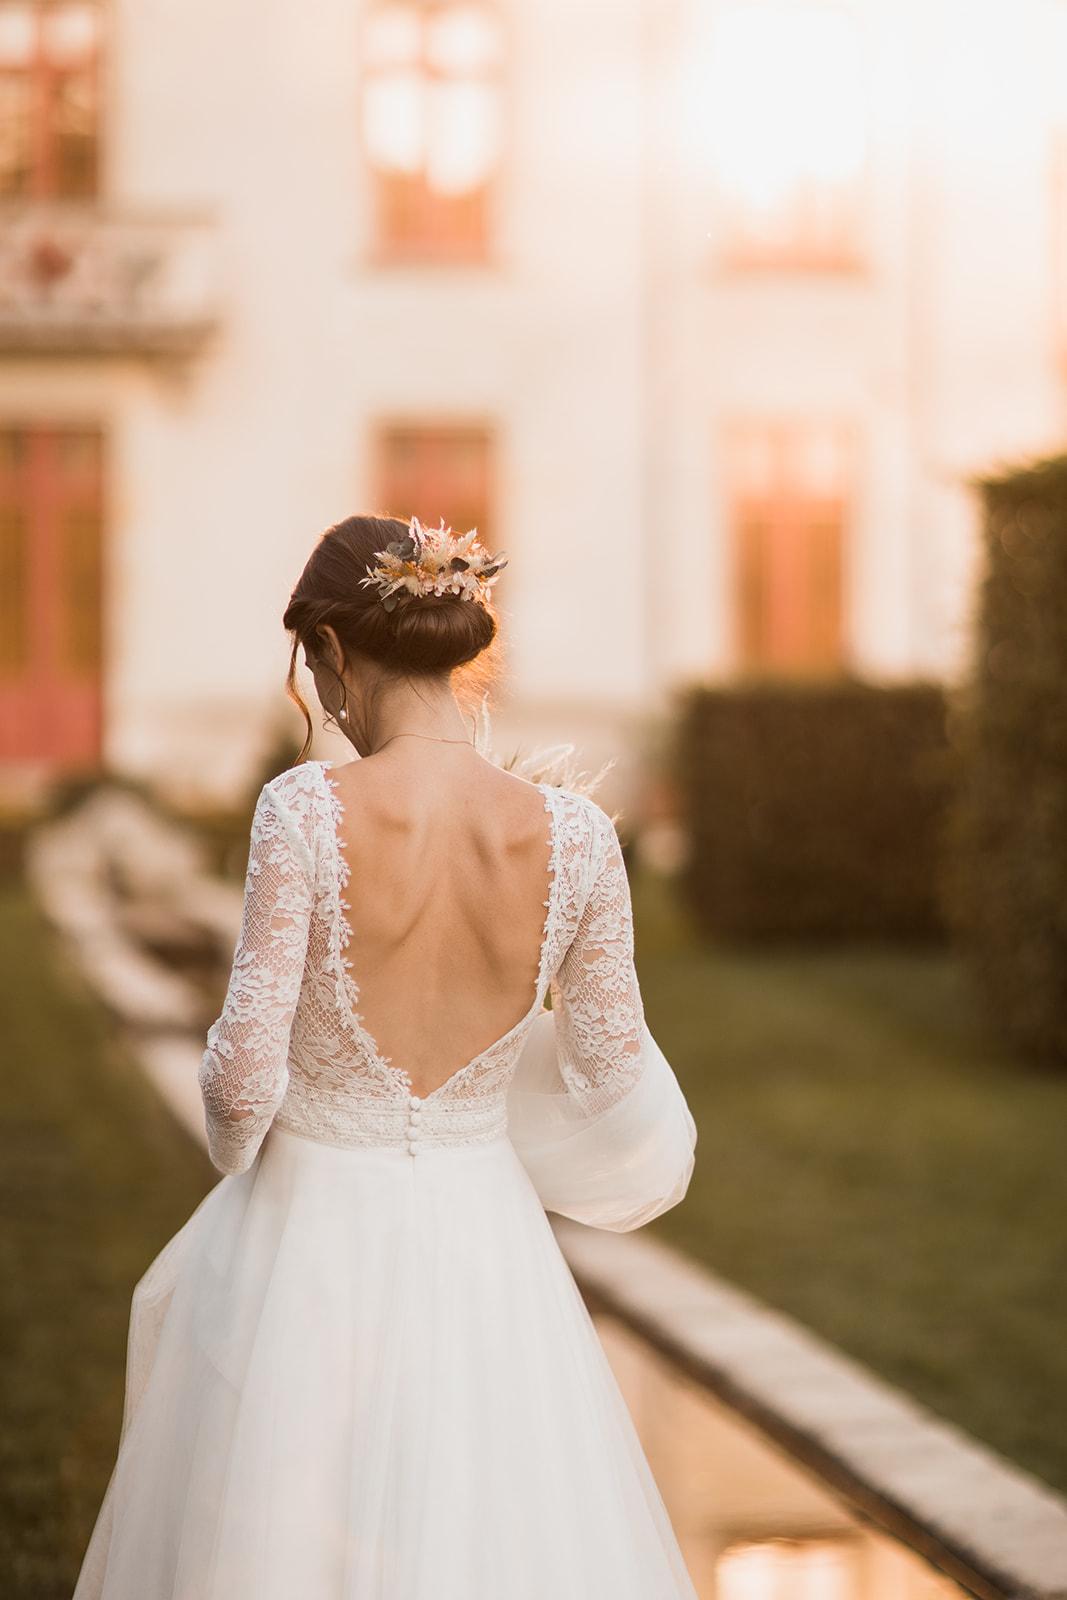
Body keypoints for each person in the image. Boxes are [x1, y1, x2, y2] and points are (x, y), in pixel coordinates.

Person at [73, 513, 699, 1599]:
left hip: (303, 1237)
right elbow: (608, 1069)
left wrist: (246, 1150)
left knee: (279, 1538)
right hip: (486, 1240)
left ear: (332, 653)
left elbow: (237, 1087)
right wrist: (485, 1090)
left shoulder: (303, 809)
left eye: (312, 673)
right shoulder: (579, 839)